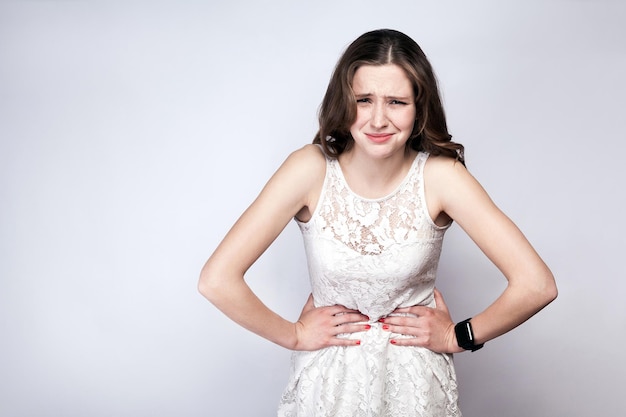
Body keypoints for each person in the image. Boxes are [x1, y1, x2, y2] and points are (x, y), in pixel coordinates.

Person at [198, 29, 557, 417]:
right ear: (344, 100)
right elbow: (216, 280)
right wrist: (294, 334)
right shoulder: (309, 168)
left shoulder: (442, 177)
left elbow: (536, 285)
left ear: (419, 108)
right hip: (327, 386)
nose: (378, 119)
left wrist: (458, 336)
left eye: (397, 102)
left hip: (414, 389)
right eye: (364, 100)